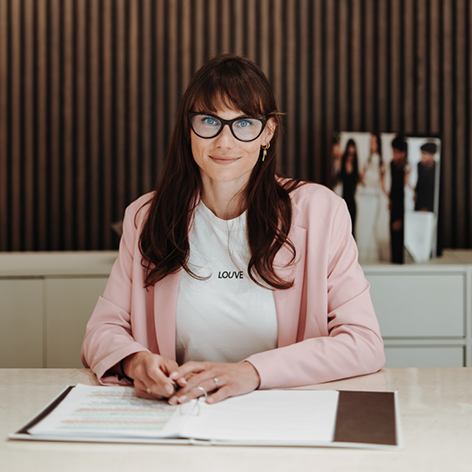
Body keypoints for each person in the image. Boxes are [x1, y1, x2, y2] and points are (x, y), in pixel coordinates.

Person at [81, 54, 385, 406]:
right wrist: (135, 362)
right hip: (181, 413)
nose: (224, 142)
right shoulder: (146, 217)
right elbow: (102, 331)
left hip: (285, 411)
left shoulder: (321, 212)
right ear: (188, 127)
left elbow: (363, 342)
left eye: (243, 124)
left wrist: (251, 373)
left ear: (267, 132)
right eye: (209, 120)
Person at [388, 135, 410, 264]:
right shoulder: (392, 165)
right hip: (394, 207)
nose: (394, 155)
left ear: (403, 152)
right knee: (394, 239)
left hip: (405, 208)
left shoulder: (408, 168)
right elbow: (392, 187)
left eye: (396, 152)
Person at [338, 139, 360, 234]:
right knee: (342, 230)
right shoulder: (342, 165)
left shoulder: (355, 167)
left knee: (352, 231)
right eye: (349, 153)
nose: (351, 156)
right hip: (343, 201)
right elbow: (336, 179)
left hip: (352, 202)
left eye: (353, 154)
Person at [414, 141, 437, 212]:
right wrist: (416, 193)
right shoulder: (419, 165)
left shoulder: (437, 167)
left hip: (431, 197)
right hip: (421, 197)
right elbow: (419, 180)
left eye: (425, 154)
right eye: (421, 153)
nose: (422, 156)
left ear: (432, 155)